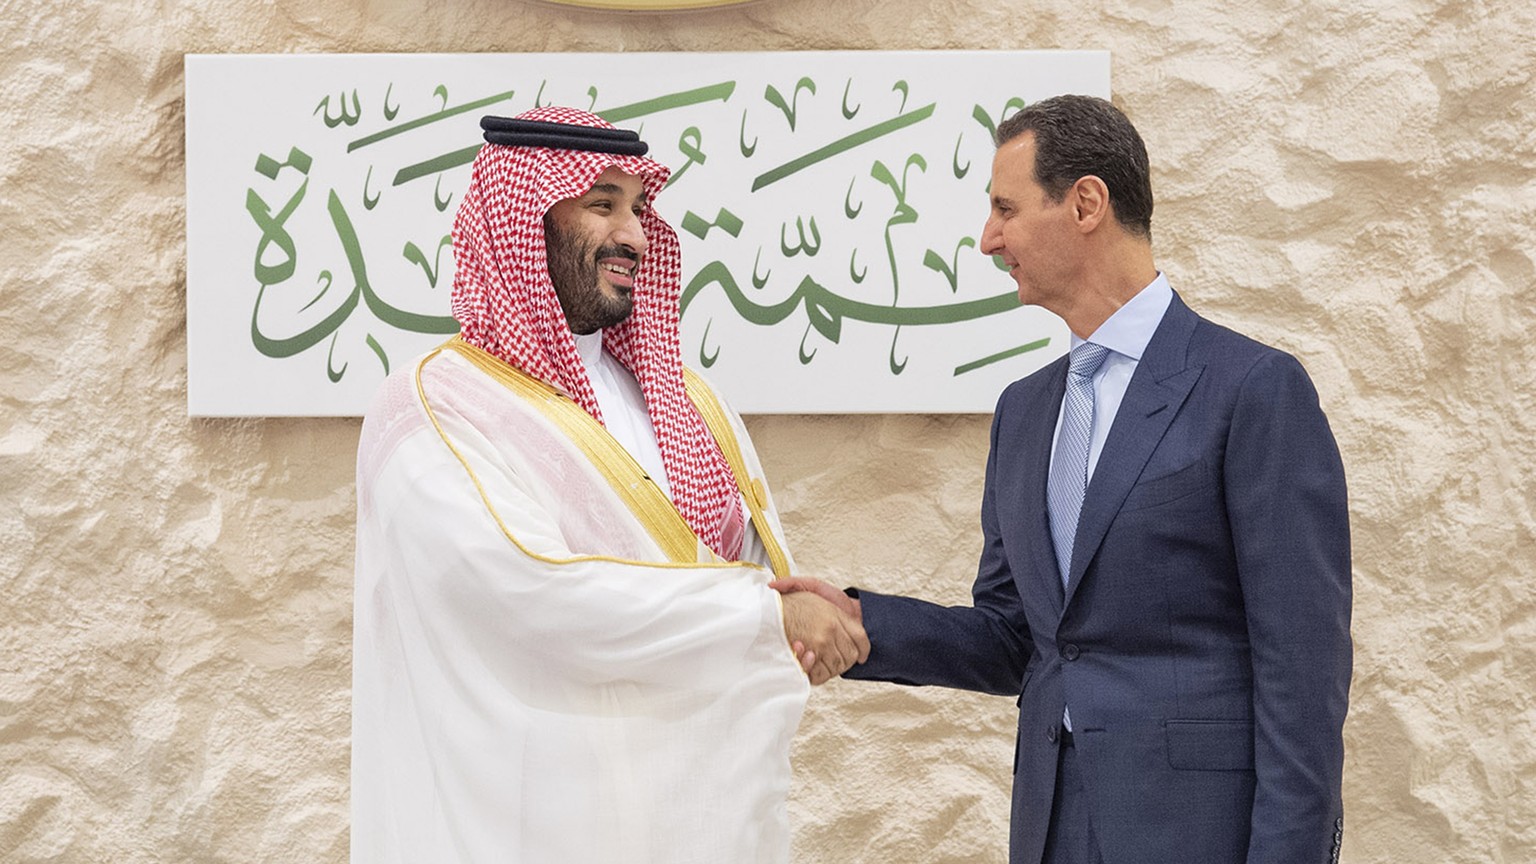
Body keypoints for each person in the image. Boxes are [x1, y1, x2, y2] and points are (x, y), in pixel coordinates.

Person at [775, 95, 1352, 864]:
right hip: (1053, 828)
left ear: (1085, 203)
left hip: (1199, 833)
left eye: (1005, 209)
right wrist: (857, 619)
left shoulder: (1252, 390)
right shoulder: (1024, 411)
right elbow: (1018, 638)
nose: (988, 239)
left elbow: (1303, 670)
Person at [351, 106, 867, 863]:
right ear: (524, 226)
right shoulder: (435, 407)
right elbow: (524, 590)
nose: (633, 235)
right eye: (602, 205)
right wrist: (760, 620)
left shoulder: (691, 404)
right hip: (524, 823)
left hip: (692, 822)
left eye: (638, 209)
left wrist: (794, 619)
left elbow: (758, 572)